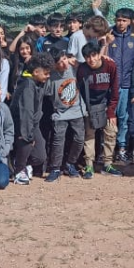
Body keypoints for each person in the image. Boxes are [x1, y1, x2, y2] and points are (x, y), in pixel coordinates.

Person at [77, 42, 122, 177]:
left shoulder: (110, 66)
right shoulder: (82, 69)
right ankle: (89, 165)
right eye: (87, 57)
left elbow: (114, 89)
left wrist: (111, 111)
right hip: (89, 106)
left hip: (106, 105)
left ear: (99, 54)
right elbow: (80, 91)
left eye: (94, 55)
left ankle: (107, 164)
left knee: (111, 132)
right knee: (89, 135)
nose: (91, 59)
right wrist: (85, 109)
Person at [10, 52, 54, 185]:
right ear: (35, 72)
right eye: (46, 73)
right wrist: (28, 135)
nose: (48, 76)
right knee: (27, 143)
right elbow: (26, 112)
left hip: (33, 124)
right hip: (23, 125)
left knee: (40, 157)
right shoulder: (28, 85)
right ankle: (18, 170)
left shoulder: (37, 83)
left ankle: (23, 162)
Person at [44, 52, 88, 182]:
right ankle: (55, 168)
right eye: (59, 62)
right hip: (60, 113)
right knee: (58, 140)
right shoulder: (51, 76)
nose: (64, 64)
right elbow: (46, 93)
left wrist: (77, 62)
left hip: (77, 110)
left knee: (80, 139)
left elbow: (88, 67)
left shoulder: (74, 67)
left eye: (64, 59)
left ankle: (70, 163)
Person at [107, 8, 134, 162]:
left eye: (124, 20)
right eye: (118, 20)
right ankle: (106, 149)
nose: (121, 23)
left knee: (124, 117)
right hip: (110, 85)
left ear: (129, 22)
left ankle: (122, 148)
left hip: (127, 85)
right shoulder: (109, 37)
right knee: (109, 118)